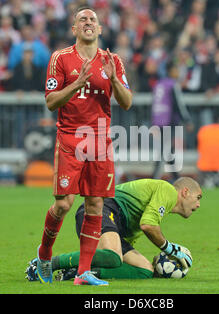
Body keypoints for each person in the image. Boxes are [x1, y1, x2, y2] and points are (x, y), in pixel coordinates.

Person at [36, 6, 132, 286]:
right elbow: (51, 102)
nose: (88, 22)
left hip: (100, 141)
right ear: (74, 29)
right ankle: (44, 252)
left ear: (100, 29)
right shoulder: (61, 58)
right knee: (64, 204)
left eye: (93, 19)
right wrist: (77, 83)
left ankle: (83, 273)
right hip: (70, 138)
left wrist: (113, 78)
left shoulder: (112, 61)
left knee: (95, 204)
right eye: (82, 19)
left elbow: (126, 102)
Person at [26, 177, 201, 282]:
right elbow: (148, 226)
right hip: (103, 209)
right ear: (185, 192)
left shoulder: (160, 206)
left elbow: (137, 231)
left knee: (144, 270)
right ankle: (45, 262)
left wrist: (162, 269)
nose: (198, 204)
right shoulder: (168, 190)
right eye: (198, 197)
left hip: (113, 220)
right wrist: (171, 250)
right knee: (113, 256)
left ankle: (77, 272)